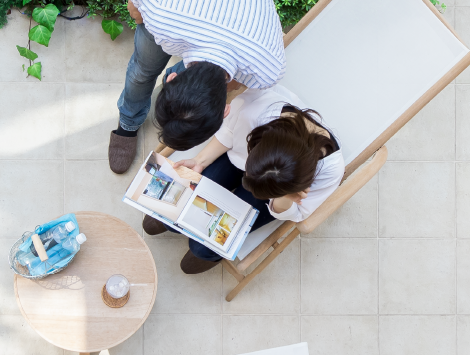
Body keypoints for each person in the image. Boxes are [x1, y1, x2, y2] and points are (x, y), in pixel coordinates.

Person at [106, 0, 286, 174]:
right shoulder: (163, 15)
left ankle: (131, 119)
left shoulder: (266, 68)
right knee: (143, 70)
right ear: (224, 112)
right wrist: (141, 16)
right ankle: (128, 122)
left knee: (166, 73)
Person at [145, 85, 344, 274]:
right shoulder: (257, 108)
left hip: (279, 193)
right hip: (246, 159)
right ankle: (178, 222)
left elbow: (298, 212)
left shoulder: (330, 171)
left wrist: (285, 197)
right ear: (259, 141)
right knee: (177, 208)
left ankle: (208, 252)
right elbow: (231, 132)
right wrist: (200, 160)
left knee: (202, 248)